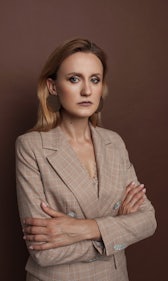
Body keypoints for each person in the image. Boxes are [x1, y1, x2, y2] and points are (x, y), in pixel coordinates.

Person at [16, 38, 157, 281]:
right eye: (74, 79)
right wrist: (117, 230)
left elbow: (147, 221)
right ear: (52, 86)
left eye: (95, 79)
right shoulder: (31, 147)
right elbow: (43, 252)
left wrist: (83, 228)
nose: (86, 91)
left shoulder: (114, 143)